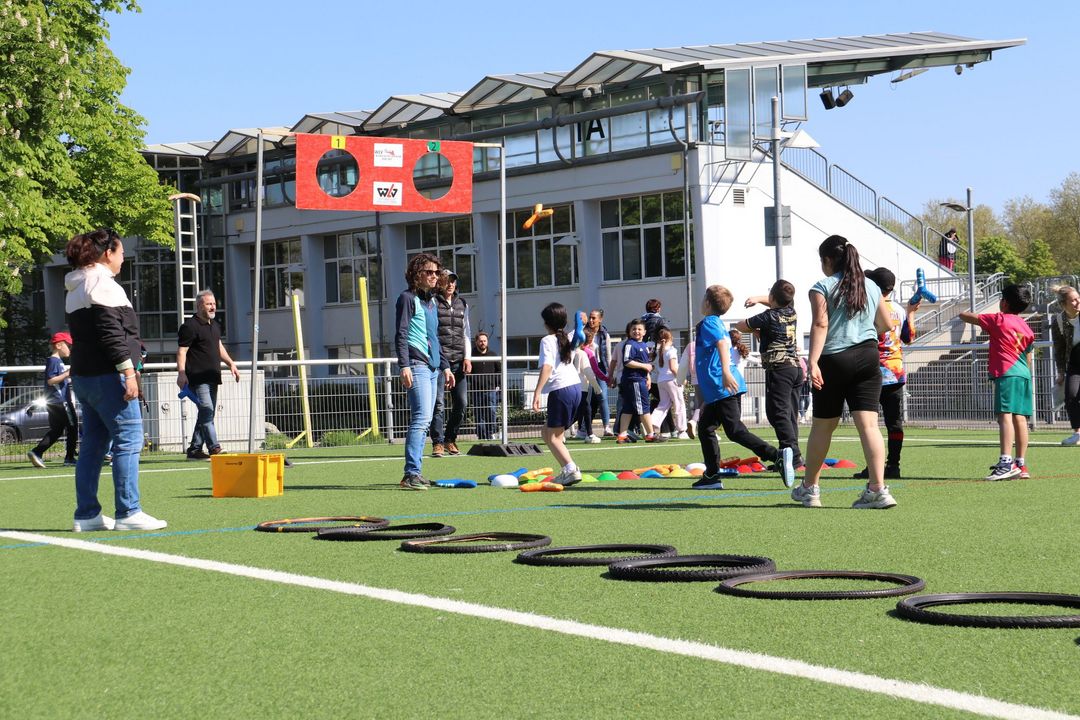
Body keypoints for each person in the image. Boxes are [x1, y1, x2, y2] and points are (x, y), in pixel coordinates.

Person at [63, 228, 166, 531]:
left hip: (84, 375)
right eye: (121, 253)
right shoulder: (104, 284)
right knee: (129, 439)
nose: (123, 259)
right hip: (109, 375)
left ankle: (87, 515)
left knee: (94, 443)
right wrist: (129, 372)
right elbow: (112, 335)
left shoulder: (75, 286)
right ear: (108, 253)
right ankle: (128, 511)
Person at [790, 235, 893, 509]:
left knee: (823, 426)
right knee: (869, 426)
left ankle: (810, 489)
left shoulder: (821, 287)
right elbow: (886, 324)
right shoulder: (871, 285)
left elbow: (820, 324)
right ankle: (878, 490)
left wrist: (812, 362)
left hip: (834, 359)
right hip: (868, 357)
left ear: (827, 260)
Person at [693, 285, 794, 491]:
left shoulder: (709, 322)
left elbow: (722, 344)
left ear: (707, 303)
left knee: (735, 431)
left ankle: (776, 456)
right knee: (706, 428)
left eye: (703, 297)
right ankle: (712, 475)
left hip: (723, 385)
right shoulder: (715, 322)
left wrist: (725, 372)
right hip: (719, 388)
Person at [960, 284, 1035, 480]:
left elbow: (964, 315)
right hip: (1023, 374)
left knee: (1005, 416)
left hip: (1007, 373)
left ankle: (1005, 462)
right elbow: (1028, 356)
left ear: (1004, 303)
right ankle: (1020, 464)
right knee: (1020, 418)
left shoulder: (998, 319)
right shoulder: (1026, 327)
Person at [855, 268, 920, 480]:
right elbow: (909, 338)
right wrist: (911, 313)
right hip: (895, 372)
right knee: (894, 423)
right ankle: (893, 465)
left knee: (869, 424)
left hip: (871, 371)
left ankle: (872, 467)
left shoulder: (869, 306)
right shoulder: (898, 309)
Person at [395, 253, 452, 490]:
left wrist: (445, 366)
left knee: (426, 419)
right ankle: (411, 473)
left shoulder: (432, 302)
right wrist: (404, 365)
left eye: (436, 272)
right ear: (416, 274)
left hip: (433, 367)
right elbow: (401, 333)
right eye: (429, 272)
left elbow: (434, 337)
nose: (434, 276)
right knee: (421, 419)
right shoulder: (407, 298)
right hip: (416, 365)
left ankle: (414, 472)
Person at [735, 279, 803, 470]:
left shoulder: (768, 316)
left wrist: (757, 329)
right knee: (789, 414)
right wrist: (759, 299)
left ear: (772, 297)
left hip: (779, 368)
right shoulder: (791, 311)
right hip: (795, 368)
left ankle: (792, 456)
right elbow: (780, 300)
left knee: (777, 413)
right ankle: (790, 455)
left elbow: (741, 325)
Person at [176, 289, 240, 460]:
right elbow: (182, 352)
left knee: (207, 414)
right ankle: (214, 447)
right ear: (199, 305)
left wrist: (231, 363)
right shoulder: (189, 326)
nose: (212, 307)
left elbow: (218, 346)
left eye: (214, 304)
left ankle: (194, 449)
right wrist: (181, 373)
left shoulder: (215, 325)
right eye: (208, 304)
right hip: (197, 378)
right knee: (207, 410)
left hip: (213, 377)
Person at [531, 303, 582, 486]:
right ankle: (566, 470)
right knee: (547, 433)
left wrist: (537, 392)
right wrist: (580, 317)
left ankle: (571, 469)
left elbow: (547, 366)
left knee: (553, 437)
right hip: (576, 388)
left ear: (546, 323)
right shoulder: (569, 337)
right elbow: (581, 321)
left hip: (561, 390)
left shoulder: (547, 340)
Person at [428, 269, 471, 457]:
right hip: (439, 362)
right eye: (447, 280)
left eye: (453, 281)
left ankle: (450, 439)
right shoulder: (433, 303)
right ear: (441, 283)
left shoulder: (463, 303)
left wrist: (467, 357)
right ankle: (437, 442)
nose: (451, 284)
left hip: (459, 361)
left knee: (461, 403)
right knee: (438, 404)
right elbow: (431, 333)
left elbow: (466, 332)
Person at [27, 332, 79, 468]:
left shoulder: (58, 361)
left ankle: (37, 452)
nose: (70, 349)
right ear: (59, 345)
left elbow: (58, 380)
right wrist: (67, 374)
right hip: (61, 401)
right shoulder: (54, 361)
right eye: (68, 346)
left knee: (57, 430)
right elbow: (51, 380)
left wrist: (68, 378)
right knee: (73, 427)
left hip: (56, 402)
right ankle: (69, 458)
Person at [616, 318, 662, 443]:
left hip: (639, 379)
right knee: (643, 407)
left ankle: (622, 435)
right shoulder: (630, 344)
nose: (636, 331)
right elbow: (627, 361)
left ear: (644, 332)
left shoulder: (644, 345)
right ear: (629, 331)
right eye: (634, 329)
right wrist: (644, 367)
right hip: (634, 380)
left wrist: (648, 377)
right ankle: (651, 434)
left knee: (628, 408)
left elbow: (645, 363)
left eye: (639, 329)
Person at [1051, 285, 1080, 446]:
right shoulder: (1059, 321)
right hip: (1075, 363)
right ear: (1063, 304)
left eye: (1078, 298)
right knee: (1071, 396)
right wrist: (1061, 372)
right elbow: (1059, 348)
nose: (1078, 302)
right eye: (1073, 300)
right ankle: (1077, 434)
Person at [648, 328, 688, 439]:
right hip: (672, 380)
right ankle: (682, 430)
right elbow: (673, 368)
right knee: (679, 404)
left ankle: (651, 422)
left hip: (661, 381)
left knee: (663, 404)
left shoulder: (658, 352)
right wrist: (681, 379)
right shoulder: (671, 350)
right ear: (669, 339)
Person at [572, 328, 608, 442]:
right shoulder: (585, 353)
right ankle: (560, 430)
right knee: (581, 411)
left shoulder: (570, 352)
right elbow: (591, 372)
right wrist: (599, 386)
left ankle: (588, 433)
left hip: (569, 386)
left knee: (583, 409)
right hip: (582, 386)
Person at [586, 309, 614, 436]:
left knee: (602, 396)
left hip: (600, 368)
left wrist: (610, 374)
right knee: (585, 398)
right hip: (585, 367)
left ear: (600, 320)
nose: (591, 320)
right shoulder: (583, 332)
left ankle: (606, 427)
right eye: (590, 317)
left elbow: (608, 356)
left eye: (594, 318)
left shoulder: (604, 335)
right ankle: (582, 429)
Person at [469, 331, 499, 440]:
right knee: (479, 414)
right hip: (476, 390)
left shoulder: (493, 355)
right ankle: (481, 436)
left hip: (491, 389)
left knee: (491, 411)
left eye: (485, 341)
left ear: (487, 342)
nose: (483, 343)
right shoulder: (471, 356)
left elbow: (499, 371)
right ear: (476, 342)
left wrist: (497, 384)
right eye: (480, 341)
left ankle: (490, 433)